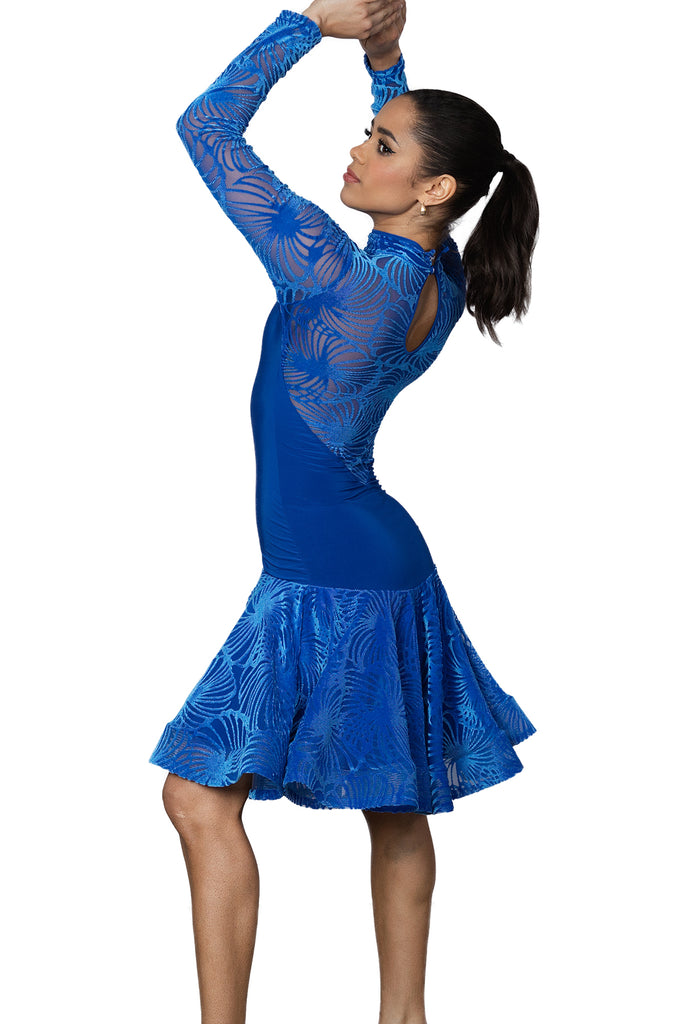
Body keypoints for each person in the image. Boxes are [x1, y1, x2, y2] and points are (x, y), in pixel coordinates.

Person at [149, 2, 538, 1022]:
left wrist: (304, 25)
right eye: (370, 134)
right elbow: (427, 168)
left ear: (434, 188)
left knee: (196, 795)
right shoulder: (440, 272)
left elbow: (204, 126)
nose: (358, 150)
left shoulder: (331, 273)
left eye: (381, 145)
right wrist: (383, 61)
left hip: (325, 576)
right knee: (394, 804)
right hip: (375, 564)